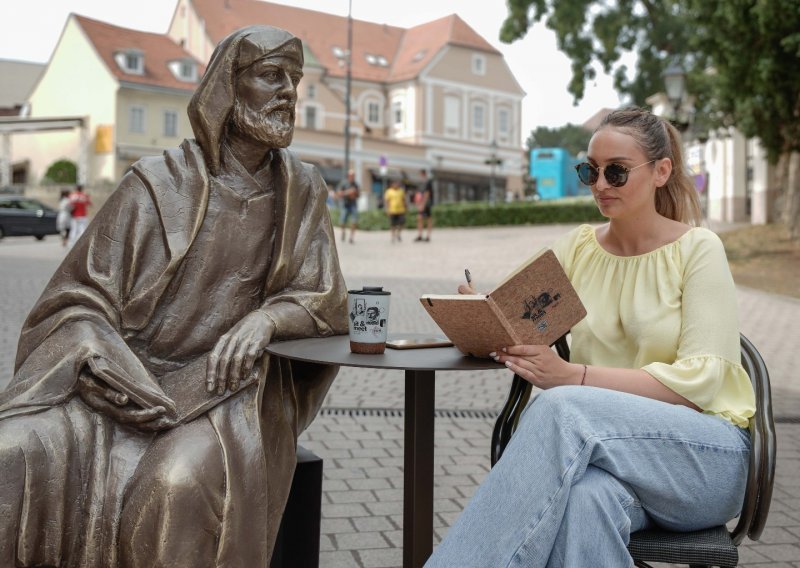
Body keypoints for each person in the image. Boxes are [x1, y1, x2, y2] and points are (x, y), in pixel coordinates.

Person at [0, 26, 348, 567]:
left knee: (175, 482)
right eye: (271, 75)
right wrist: (105, 364)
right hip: (120, 383)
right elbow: (74, 300)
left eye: (295, 79)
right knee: (11, 451)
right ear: (227, 88)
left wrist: (268, 320)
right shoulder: (155, 183)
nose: (288, 92)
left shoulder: (302, 191)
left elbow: (325, 299)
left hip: (229, 390)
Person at [425, 107, 756, 567]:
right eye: (590, 171)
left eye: (616, 172)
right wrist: (481, 313)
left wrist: (572, 376)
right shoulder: (579, 249)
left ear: (661, 172)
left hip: (703, 459)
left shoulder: (699, 249)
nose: (600, 184)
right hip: (611, 462)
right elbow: (511, 315)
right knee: (585, 501)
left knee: (561, 407)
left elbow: (700, 385)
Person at [338, 168, 359, 243]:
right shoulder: (344, 183)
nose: (352, 177)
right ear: (348, 176)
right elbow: (339, 194)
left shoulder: (356, 184)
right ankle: (343, 232)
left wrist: (355, 194)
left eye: (353, 175)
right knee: (342, 222)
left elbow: (358, 195)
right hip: (345, 205)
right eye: (351, 175)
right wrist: (348, 192)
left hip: (353, 205)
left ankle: (351, 237)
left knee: (354, 221)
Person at [383, 178, 407, 243]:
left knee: (402, 223)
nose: (396, 185)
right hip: (392, 210)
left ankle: (398, 234)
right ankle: (393, 236)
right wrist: (387, 209)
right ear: (392, 184)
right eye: (394, 183)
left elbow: (404, 200)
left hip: (401, 210)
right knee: (392, 224)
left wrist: (406, 207)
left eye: (397, 183)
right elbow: (386, 201)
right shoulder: (388, 191)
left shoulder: (401, 191)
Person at [414, 169, 434, 242]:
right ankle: (420, 235)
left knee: (428, 219)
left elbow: (427, 194)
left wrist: (423, 204)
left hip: (426, 203)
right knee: (419, 218)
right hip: (421, 203)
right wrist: (417, 203)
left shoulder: (428, 182)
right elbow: (418, 194)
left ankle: (428, 236)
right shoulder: (420, 183)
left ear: (424, 174)